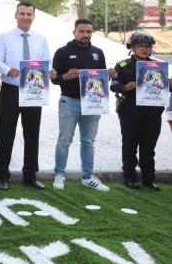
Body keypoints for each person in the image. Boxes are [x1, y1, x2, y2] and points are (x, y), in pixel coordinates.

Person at [0, 2, 56, 191]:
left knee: (32, 134)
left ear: (33, 17)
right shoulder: (4, 37)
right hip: (10, 90)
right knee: (6, 133)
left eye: (29, 14)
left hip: (33, 91)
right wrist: (6, 70)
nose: (25, 17)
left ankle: (30, 174)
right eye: (22, 13)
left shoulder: (41, 39)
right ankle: (2, 175)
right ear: (16, 15)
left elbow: (47, 62)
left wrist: (51, 71)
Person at [51, 19, 114, 192]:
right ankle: (60, 174)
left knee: (88, 141)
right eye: (82, 31)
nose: (85, 35)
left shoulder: (98, 52)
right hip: (69, 102)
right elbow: (54, 78)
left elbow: (101, 78)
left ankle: (87, 177)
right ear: (74, 32)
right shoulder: (62, 52)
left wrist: (108, 74)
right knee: (64, 140)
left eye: (89, 31)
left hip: (93, 103)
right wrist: (66, 76)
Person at [110, 31, 171, 191]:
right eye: (140, 46)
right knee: (129, 146)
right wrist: (125, 87)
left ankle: (148, 179)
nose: (144, 49)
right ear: (132, 47)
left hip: (153, 113)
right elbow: (113, 85)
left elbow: (164, 89)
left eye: (147, 46)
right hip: (130, 111)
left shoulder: (159, 66)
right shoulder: (122, 65)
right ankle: (129, 178)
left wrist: (169, 84)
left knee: (149, 147)